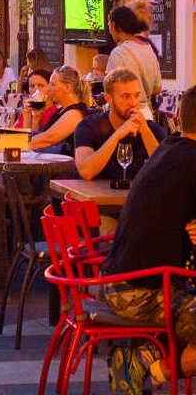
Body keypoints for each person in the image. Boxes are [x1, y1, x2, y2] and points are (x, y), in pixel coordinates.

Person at [101, 85, 196, 391]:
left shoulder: (169, 149)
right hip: (141, 292)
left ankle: (145, 356)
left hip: (120, 281)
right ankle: (143, 368)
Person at [75, 67, 165, 181]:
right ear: (109, 99)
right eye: (126, 96)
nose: (133, 102)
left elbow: (165, 171)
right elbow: (86, 172)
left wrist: (145, 131)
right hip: (97, 197)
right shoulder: (89, 126)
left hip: (135, 197)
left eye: (136, 95)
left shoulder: (152, 129)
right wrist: (117, 135)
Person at [106, 5, 161, 119]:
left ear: (115, 26)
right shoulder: (148, 48)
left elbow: (110, 89)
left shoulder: (118, 53)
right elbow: (157, 88)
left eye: (109, 25)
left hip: (126, 114)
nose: (109, 30)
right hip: (146, 114)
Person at [28, 67, 90, 154]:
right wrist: (36, 117)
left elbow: (48, 139)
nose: (49, 89)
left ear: (68, 87)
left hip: (67, 166)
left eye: (53, 85)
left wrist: (14, 144)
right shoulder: (61, 110)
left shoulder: (75, 113)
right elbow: (41, 137)